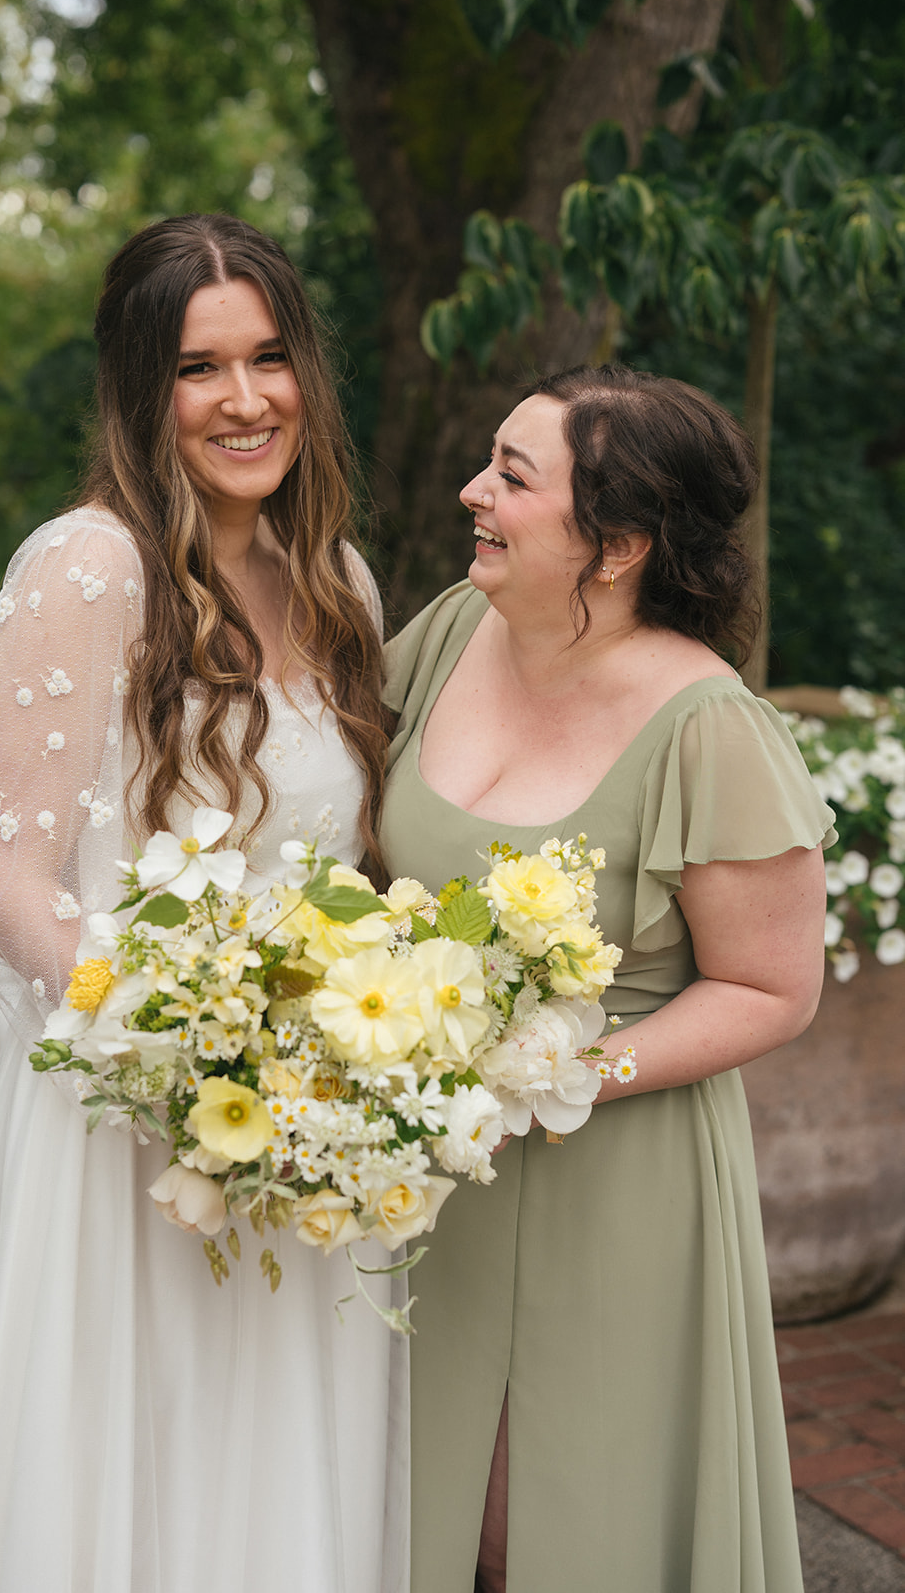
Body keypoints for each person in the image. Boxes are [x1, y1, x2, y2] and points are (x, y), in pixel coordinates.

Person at [0, 213, 408, 1593]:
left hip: (309, 1141)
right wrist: (182, 1058)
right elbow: (2, 879)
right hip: (130, 1133)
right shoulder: (85, 567)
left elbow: (346, 877)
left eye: (266, 358)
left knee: (283, 1478)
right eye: (198, 369)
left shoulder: (338, 582)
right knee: (137, 1486)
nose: (243, 401)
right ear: (142, 391)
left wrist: (337, 1063)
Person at [380, 363, 834, 1593]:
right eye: (488, 459)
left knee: (563, 1525)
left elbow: (770, 988)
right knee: (420, 1506)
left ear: (618, 541)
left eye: (512, 477)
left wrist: (550, 1077)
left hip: (614, 1176)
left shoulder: (706, 725)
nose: (473, 490)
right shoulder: (444, 633)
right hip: (426, 1171)